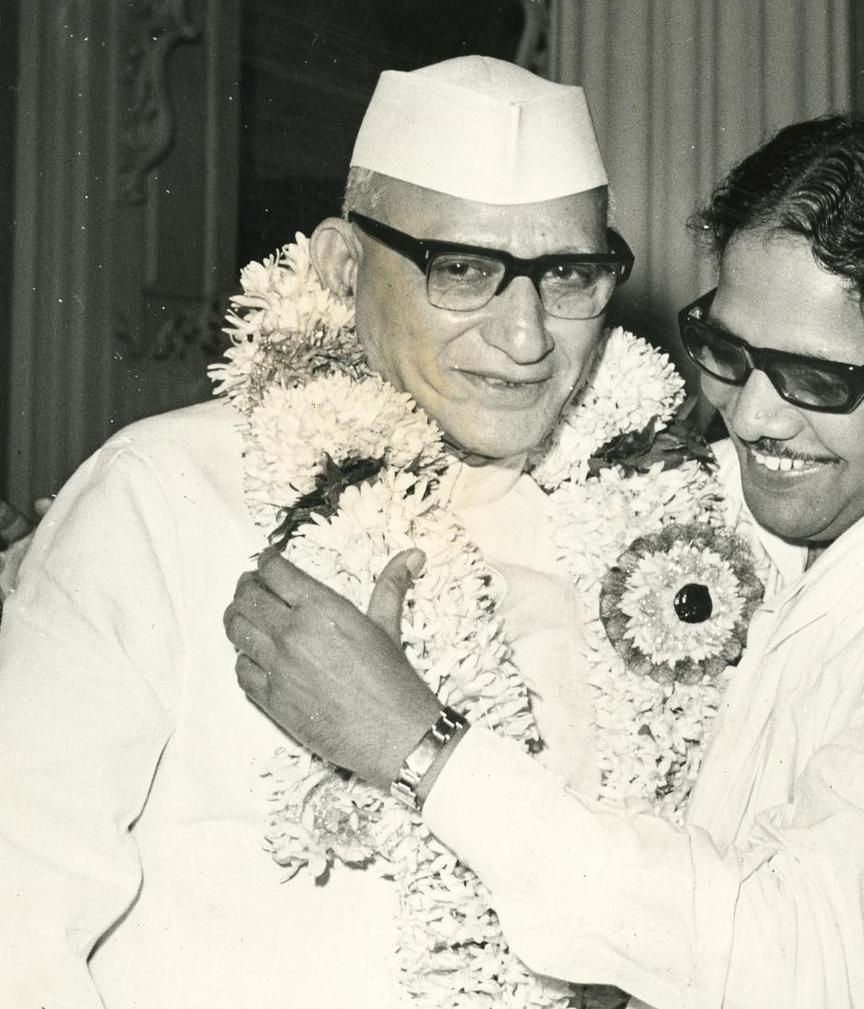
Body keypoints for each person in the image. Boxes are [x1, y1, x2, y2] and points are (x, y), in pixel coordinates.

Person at [228, 114, 864, 1008]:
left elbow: (802, 959)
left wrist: (418, 744)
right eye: (728, 351)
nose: (754, 416)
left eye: (821, 378)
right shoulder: (823, 497)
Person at [0, 56, 631, 1007]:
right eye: (463, 270)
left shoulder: (646, 531)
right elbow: (19, 910)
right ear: (342, 264)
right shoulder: (159, 494)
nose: (528, 336)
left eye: (571, 274)